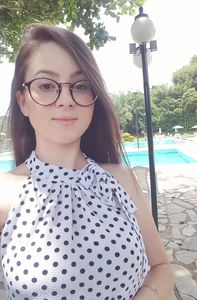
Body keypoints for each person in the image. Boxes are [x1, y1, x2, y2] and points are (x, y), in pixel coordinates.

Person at [0, 23, 174, 300]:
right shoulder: (4, 193)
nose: (66, 99)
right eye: (46, 85)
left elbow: (161, 267)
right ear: (22, 101)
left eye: (80, 86)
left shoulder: (122, 180)